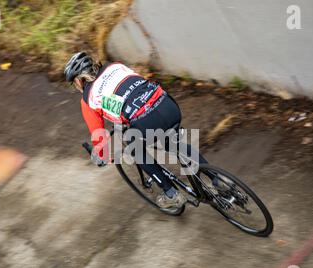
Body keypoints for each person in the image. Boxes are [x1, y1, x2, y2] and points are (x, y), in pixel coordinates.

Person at [64, 52, 211, 211]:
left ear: (79, 80)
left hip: (147, 121)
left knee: (135, 149)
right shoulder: (115, 66)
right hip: (167, 104)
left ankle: (171, 194)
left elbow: (98, 134)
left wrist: (101, 156)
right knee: (173, 143)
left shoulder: (88, 99)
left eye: (74, 83)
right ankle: (217, 179)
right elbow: (133, 91)